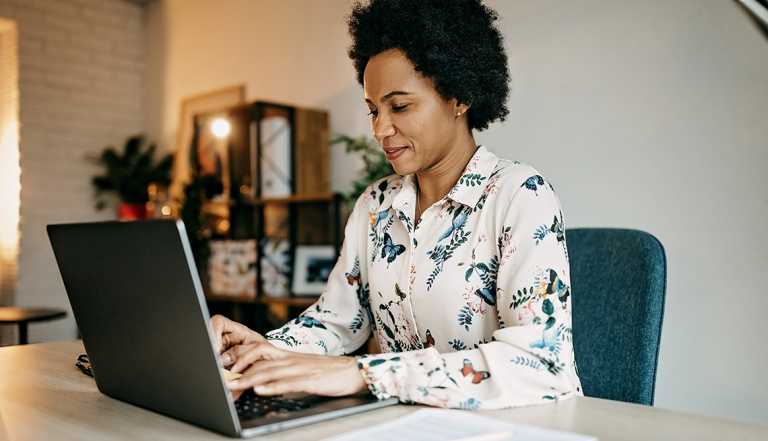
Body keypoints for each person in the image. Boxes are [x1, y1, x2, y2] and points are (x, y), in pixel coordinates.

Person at [213, 0, 582, 409]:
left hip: (518, 426)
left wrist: (364, 374)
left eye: (400, 106)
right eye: (373, 110)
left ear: (458, 97)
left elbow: (542, 364)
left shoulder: (520, 195)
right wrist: (259, 349)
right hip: (411, 425)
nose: (380, 129)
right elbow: (337, 323)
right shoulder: (376, 204)